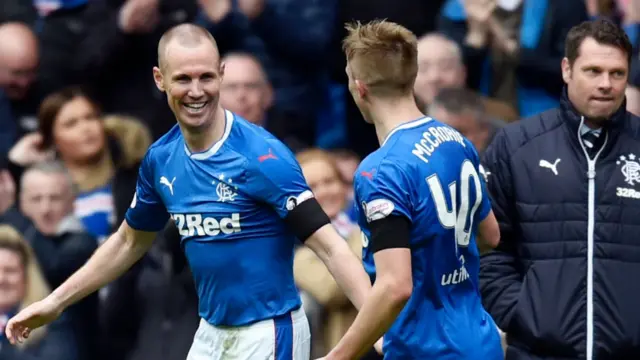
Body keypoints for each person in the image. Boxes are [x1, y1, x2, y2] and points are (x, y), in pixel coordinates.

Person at [4, 23, 373, 360]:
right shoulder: (161, 159)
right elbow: (129, 242)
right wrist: (55, 302)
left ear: (222, 76)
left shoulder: (263, 156)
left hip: (269, 331)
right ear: (159, 79)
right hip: (211, 333)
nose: (196, 92)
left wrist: (377, 331)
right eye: (183, 79)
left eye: (206, 77)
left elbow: (330, 246)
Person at [321, 20, 502, 360]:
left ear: (360, 88)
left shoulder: (381, 170)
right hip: (480, 342)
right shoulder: (457, 142)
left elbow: (395, 286)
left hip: (426, 349)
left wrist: (337, 356)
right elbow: (490, 235)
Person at [480, 18, 640, 359]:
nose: (606, 84)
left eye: (617, 74)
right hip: (537, 350)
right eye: (593, 71)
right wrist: (522, 313)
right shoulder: (516, 144)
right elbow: (487, 248)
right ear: (567, 69)